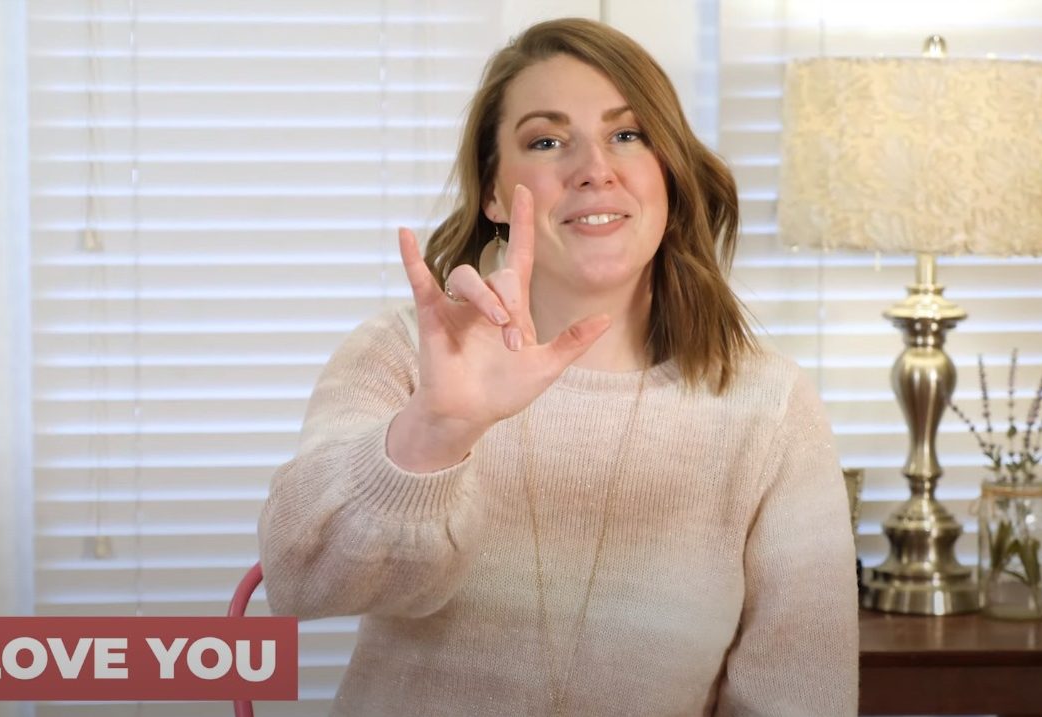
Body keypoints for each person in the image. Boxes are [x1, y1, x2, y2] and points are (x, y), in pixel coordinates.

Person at [258, 17, 858, 716]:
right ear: (492, 192)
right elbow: (302, 580)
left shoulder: (769, 404)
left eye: (628, 135)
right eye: (546, 141)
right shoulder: (401, 353)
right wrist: (435, 432)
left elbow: (800, 695)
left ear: (668, 171)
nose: (595, 168)